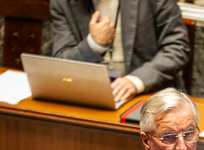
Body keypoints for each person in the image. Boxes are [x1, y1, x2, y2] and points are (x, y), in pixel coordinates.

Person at [50, 0, 190, 102]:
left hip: (150, 97)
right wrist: (94, 45)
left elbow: (177, 47)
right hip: (89, 97)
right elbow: (61, 63)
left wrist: (136, 82)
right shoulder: (62, 3)